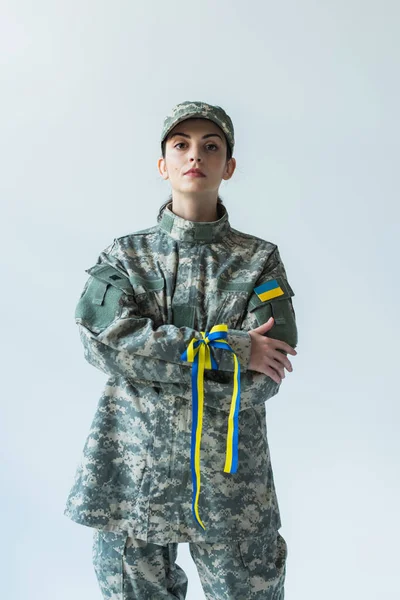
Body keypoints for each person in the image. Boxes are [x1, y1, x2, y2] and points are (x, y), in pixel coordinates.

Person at [64, 100, 298, 599]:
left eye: (211, 146)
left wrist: (149, 357)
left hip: (232, 485)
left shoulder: (259, 261)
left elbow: (266, 372)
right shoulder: (124, 256)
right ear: (162, 164)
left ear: (228, 167)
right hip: (133, 472)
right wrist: (228, 350)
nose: (196, 155)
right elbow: (101, 346)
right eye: (181, 145)